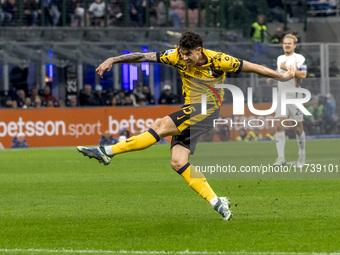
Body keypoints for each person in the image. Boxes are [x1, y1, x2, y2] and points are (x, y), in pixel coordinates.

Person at [77, 31, 295, 220]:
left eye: (188, 54)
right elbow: (143, 56)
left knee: (161, 125)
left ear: (199, 50)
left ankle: (107, 152)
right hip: (193, 110)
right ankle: (216, 201)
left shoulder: (219, 60)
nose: (184, 58)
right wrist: (113, 59)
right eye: (181, 53)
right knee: (177, 161)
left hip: (207, 110)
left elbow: (254, 67)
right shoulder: (176, 56)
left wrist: (281, 76)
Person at [273, 34, 307, 168]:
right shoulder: (279, 58)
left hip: (295, 96)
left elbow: (303, 74)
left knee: (298, 128)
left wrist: (286, 68)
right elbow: (280, 77)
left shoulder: (299, 58)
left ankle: (302, 153)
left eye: (289, 43)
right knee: (279, 125)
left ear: (294, 45)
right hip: (281, 96)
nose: (287, 45)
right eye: (285, 43)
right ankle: (280, 158)